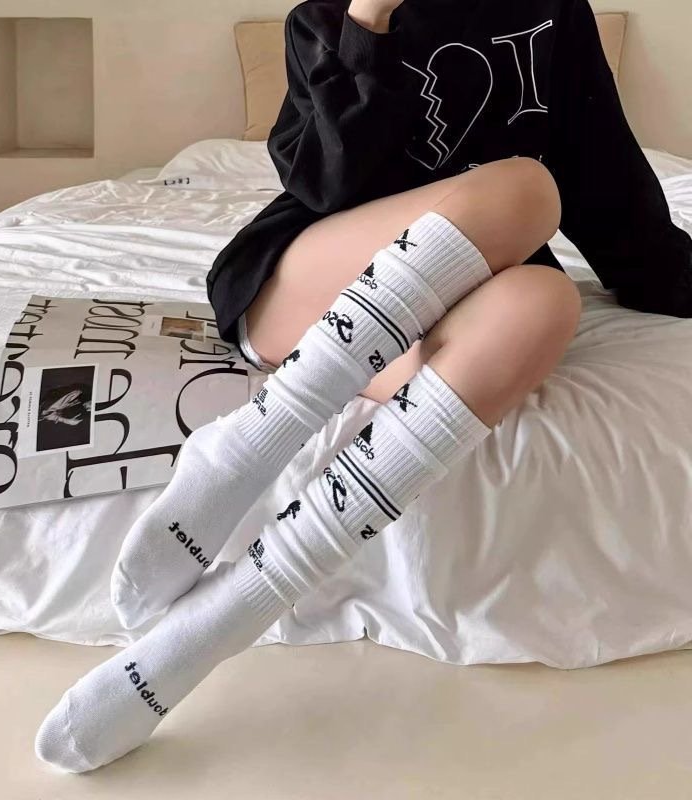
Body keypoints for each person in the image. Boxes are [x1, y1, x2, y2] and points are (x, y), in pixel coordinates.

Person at [34, 0, 692, 772]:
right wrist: (368, 25)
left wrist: (669, 275)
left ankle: (230, 613)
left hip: (461, 294)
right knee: (527, 191)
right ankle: (250, 446)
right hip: (314, 280)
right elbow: (323, 180)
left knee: (546, 303)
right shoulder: (324, 20)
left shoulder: (553, 12)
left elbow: (609, 185)